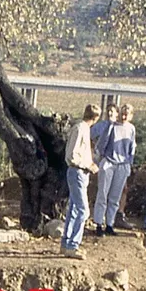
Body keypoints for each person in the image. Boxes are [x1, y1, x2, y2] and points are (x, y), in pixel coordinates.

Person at [60, 104, 100, 259]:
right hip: (77, 171)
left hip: (82, 173)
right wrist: (87, 165)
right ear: (96, 118)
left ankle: (66, 243)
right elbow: (71, 155)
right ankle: (72, 245)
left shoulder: (83, 128)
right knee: (84, 210)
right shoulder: (79, 129)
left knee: (74, 209)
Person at [92, 104, 136, 235]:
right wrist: (100, 160)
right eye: (122, 113)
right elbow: (101, 144)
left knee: (115, 196)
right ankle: (99, 223)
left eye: (126, 114)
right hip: (109, 163)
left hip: (122, 165)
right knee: (102, 194)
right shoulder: (111, 126)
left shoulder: (131, 129)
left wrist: (129, 164)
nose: (123, 116)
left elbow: (132, 148)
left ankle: (110, 224)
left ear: (131, 116)